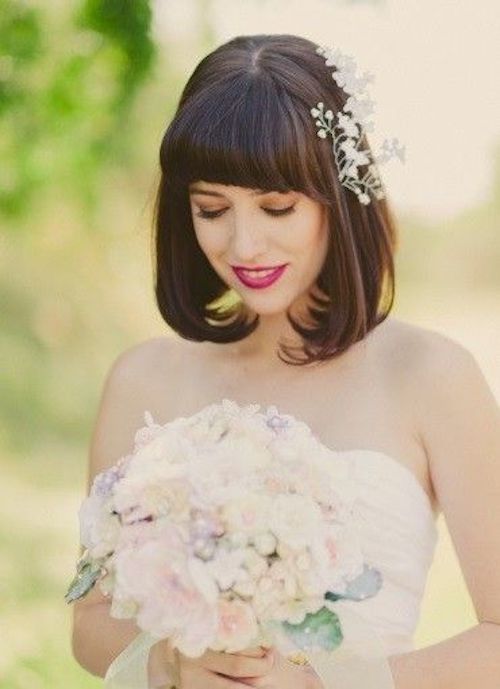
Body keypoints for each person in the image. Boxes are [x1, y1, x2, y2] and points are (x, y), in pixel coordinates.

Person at [70, 33, 500, 689]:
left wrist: (328, 684)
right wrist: (165, 660)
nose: (243, 242)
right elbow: (90, 621)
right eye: (211, 208)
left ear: (339, 197)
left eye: (277, 206)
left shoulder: (432, 375)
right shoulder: (141, 378)